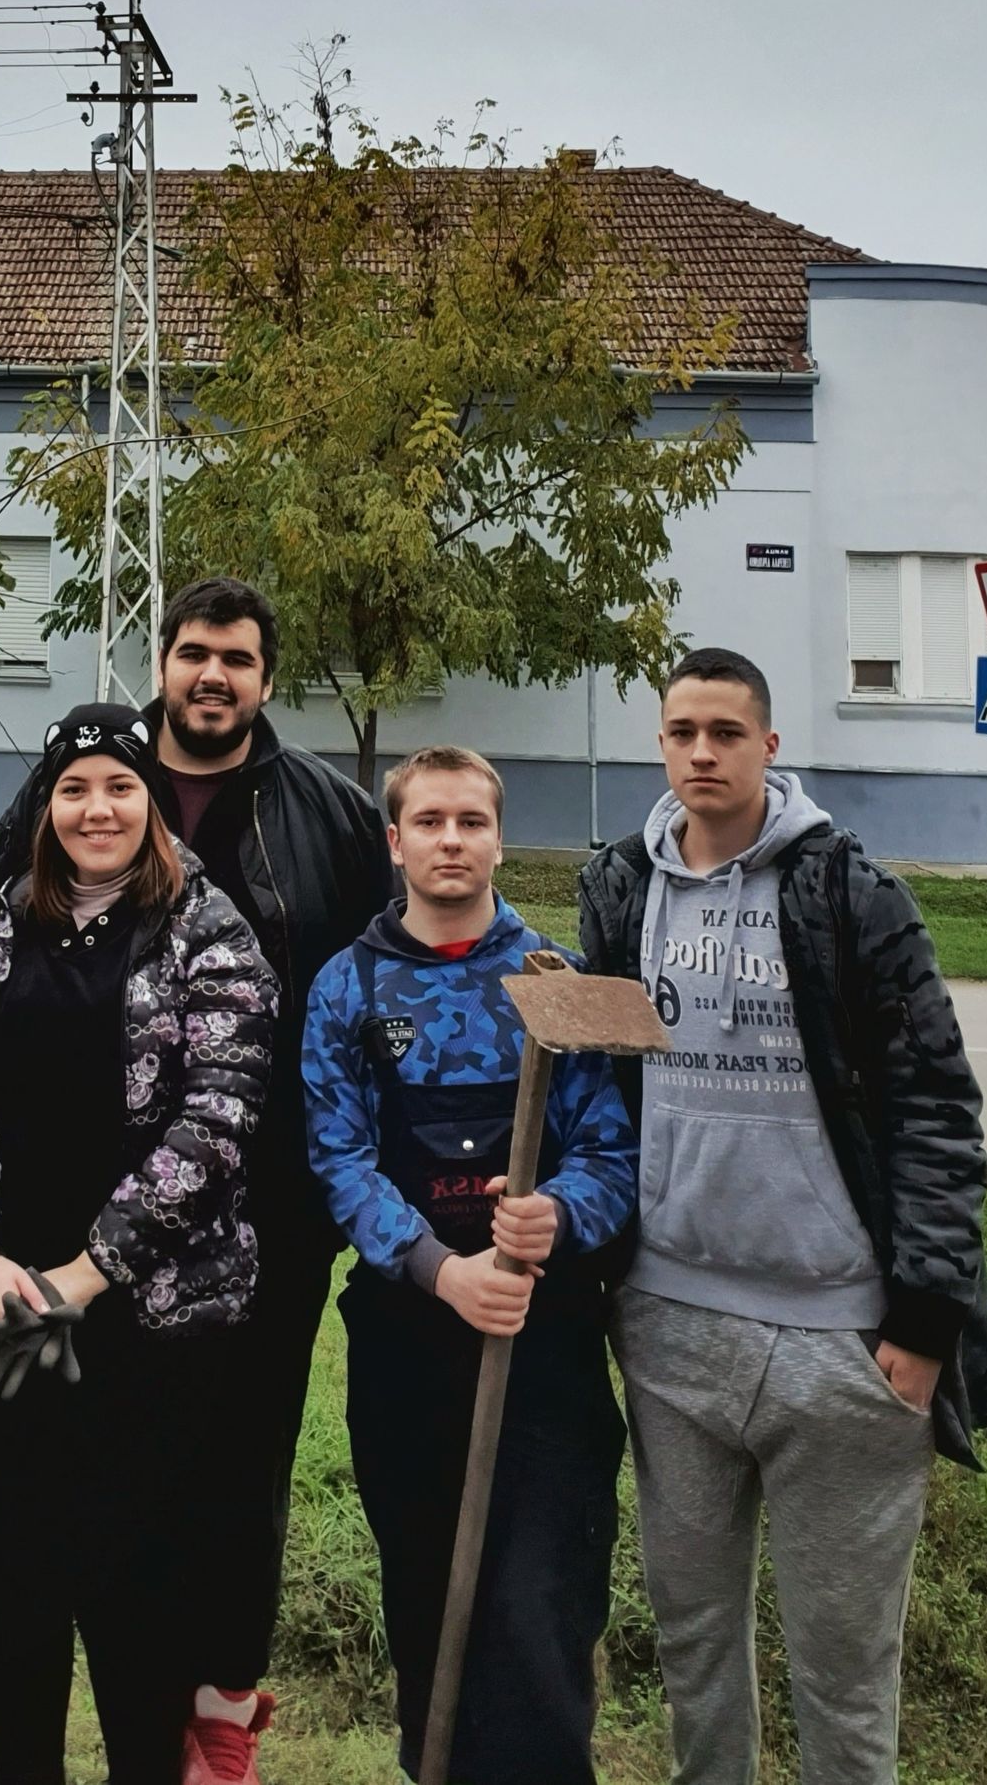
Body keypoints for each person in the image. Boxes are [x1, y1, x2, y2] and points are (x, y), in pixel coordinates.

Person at [0, 577, 395, 1785]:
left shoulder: (310, 826)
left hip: (215, 1253)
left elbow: (252, 1079)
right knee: (14, 1510)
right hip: (15, 1272)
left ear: (264, 679)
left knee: (196, 1511)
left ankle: (205, 1713)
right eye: (190, 654)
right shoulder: (27, 876)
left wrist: (95, 1266)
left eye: (235, 658)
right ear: (159, 665)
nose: (211, 675)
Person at [578, 646, 987, 1785]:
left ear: (770, 745)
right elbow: (599, 1101)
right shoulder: (618, 890)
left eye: (726, 732)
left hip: (844, 1352)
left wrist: (919, 1328)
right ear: (659, 745)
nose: (702, 753)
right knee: (692, 1650)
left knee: (842, 1672)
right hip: (668, 1333)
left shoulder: (848, 894)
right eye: (681, 732)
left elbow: (934, 1109)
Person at [0, 702, 277, 1785]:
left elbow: (221, 1119)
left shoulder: (208, 925)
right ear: (46, 806)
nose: (96, 808)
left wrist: (85, 1271)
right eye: (73, 789)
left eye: (117, 786)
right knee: (17, 1568)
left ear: (149, 799)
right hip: (5, 1311)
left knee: (135, 1579)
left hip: (149, 1316)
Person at [303, 744, 636, 1785]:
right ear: (395, 841)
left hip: (543, 1347)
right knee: (428, 1600)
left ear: (498, 836)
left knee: (536, 1605)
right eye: (430, 823)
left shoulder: (557, 981)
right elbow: (337, 1159)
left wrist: (556, 1217)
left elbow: (612, 1151)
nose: (451, 841)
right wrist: (441, 1270)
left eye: (471, 822)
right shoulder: (347, 986)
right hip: (411, 1342)